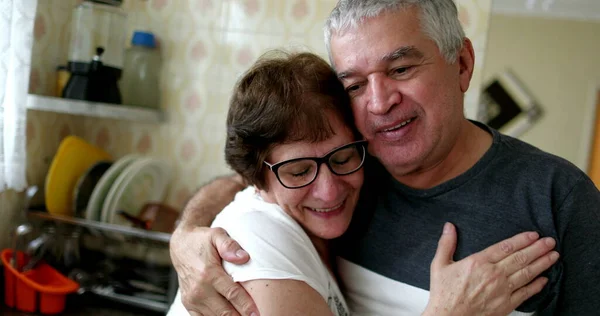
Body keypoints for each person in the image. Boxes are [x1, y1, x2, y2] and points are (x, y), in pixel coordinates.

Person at [170, 0, 600, 315]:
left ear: (462, 64)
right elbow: (251, 184)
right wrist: (187, 235)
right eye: (355, 85)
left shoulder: (558, 197)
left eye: (400, 70)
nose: (379, 103)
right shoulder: (348, 171)